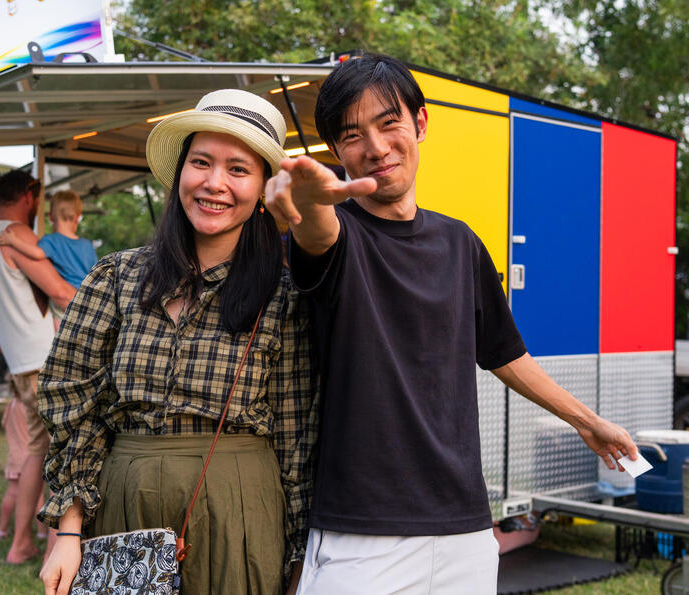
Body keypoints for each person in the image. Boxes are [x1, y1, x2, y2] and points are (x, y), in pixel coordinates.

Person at [265, 53, 638, 594]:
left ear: (419, 123)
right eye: (352, 135)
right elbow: (318, 236)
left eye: (388, 122)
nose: (374, 146)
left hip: (465, 524)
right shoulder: (340, 237)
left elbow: (505, 353)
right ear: (336, 151)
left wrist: (587, 422)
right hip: (363, 535)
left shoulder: (460, 243)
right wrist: (304, 203)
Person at [37, 89, 317, 595]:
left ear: (262, 189)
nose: (214, 183)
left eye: (238, 169)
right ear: (180, 172)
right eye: (201, 162)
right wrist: (68, 531)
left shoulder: (283, 295)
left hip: (240, 515)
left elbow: (297, 442)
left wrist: (298, 563)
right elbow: (72, 403)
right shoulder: (115, 278)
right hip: (121, 506)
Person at [0, 169, 76, 564]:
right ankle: (55, 548)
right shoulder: (16, 235)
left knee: (37, 452)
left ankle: (21, 543)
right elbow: (59, 290)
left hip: (20, 363)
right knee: (65, 453)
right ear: (29, 197)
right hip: (43, 360)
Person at [0, 189, 97, 323]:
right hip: (88, 297)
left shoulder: (51, 241)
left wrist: (13, 241)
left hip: (66, 299)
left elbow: (37, 253)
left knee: (57, 329)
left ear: (50, 217)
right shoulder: (87, 245)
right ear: (76, 217)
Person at [0, 397, 48, 541]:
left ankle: (2, 529)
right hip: (30, 459)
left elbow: (4, 423)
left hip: (14, 459)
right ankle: (42, 532)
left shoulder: (11, 405)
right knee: (38, 497)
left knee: (11, 494)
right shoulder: (31, 406)